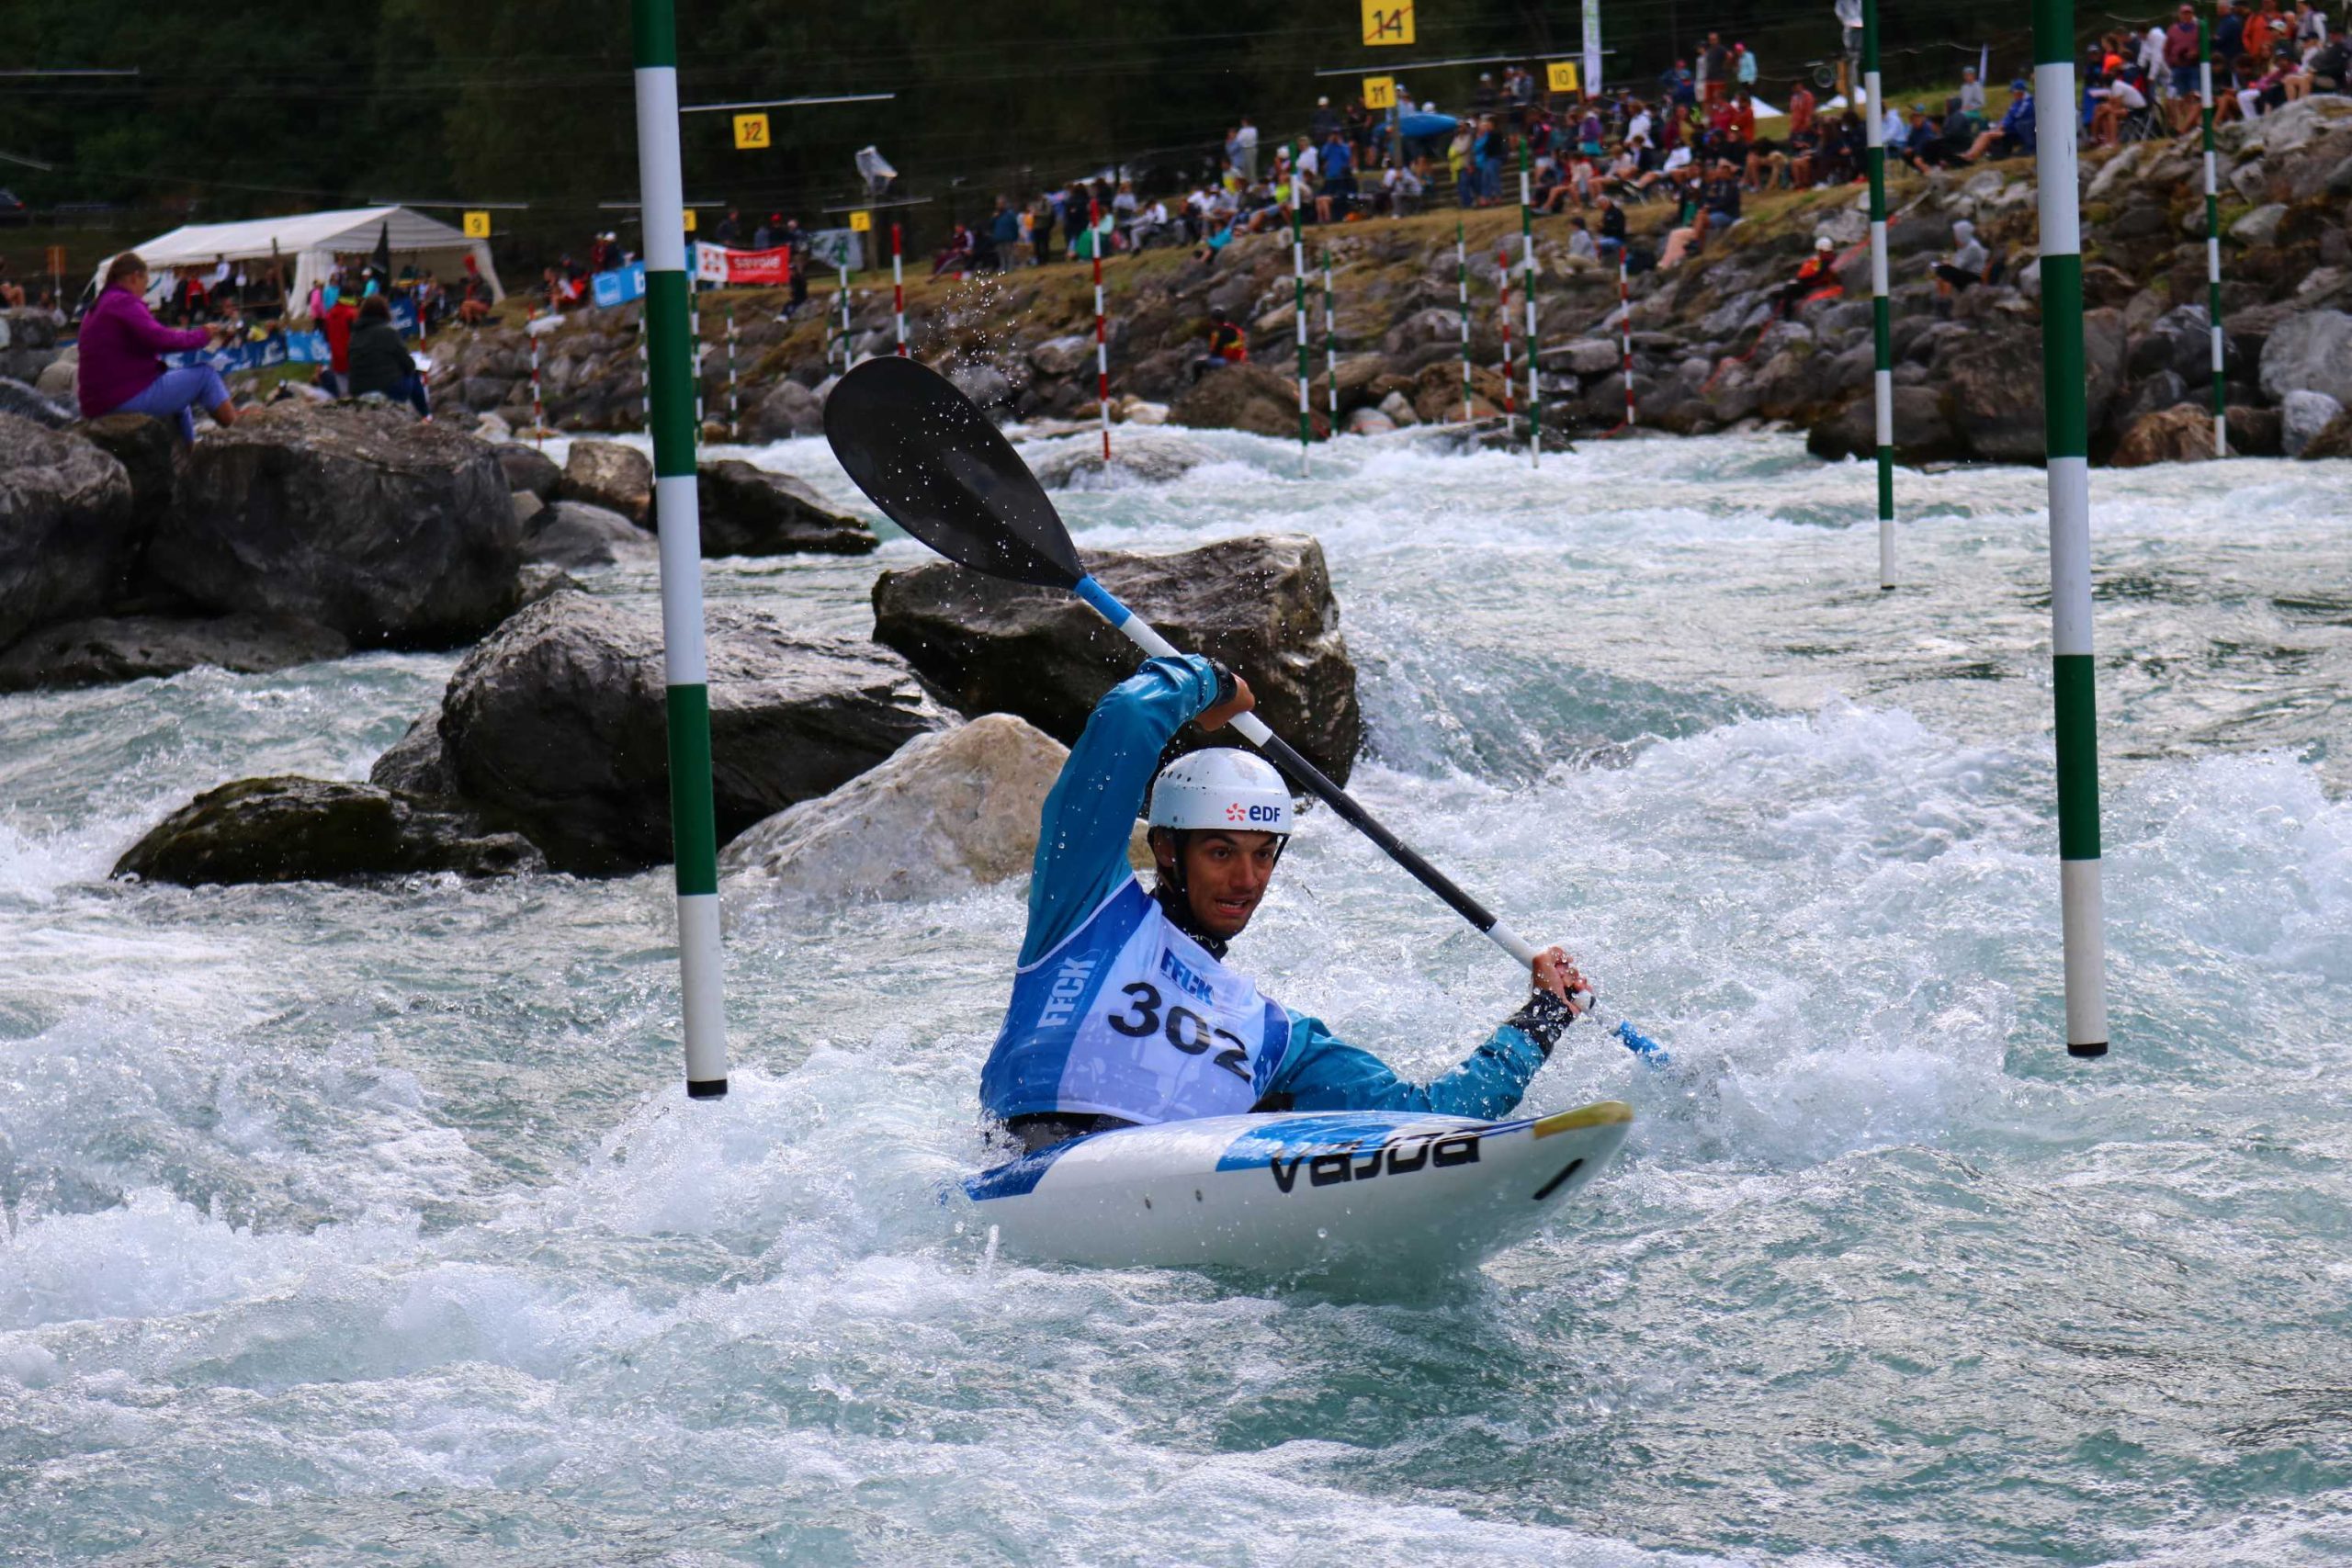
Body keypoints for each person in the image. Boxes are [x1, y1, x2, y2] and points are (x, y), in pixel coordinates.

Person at [980, 656, 1589, 1155]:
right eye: (1221, 852)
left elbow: (1423, 1119)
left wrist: (1541, 1020)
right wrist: (1210, 680)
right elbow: (1128, 715)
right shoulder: (1085, 912)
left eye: (1263, 854)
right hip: (1029, 1164)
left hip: (1156, 1212)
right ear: (1166, 848)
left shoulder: (1274, 1035)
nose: (1247, 879)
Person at [77, 252, 243, 442]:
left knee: (180, 401)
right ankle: (239, 434)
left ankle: (187, 454)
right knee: (205, 376)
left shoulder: (102, 304)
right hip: (122, 398)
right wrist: (202, 335)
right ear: (134, 277)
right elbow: (159, 339)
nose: (144, 291)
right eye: (145, 284)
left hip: (98, 401)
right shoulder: (123, 302)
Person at [345, 294, 429, 417]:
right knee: (415, 373)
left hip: (358, 389)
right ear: (385, 311)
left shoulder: (354, 336)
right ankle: (425, 415)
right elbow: (409, 365)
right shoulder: (388, 333)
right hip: (388, 388)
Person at [1930, 219, 1989, 308]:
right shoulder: (1965, 246)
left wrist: (1948, 264)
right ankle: (1943, 296)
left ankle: (1946, 299)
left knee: (1944, 271)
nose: (1955, 237)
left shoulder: (1973, 248)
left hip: (1974, 277)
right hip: (1967, 273)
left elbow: (1959, 265)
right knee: (1942, 271)